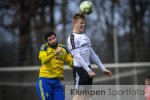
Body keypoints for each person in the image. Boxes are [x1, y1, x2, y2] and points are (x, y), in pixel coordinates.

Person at [67, 13, 112, 100]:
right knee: (78, 95)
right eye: (81, 23)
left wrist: (103, 68)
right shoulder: (72, 38)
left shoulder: (85, 37)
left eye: (84, 23)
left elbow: (93, 54)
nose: (83, 25)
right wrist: (88, 71)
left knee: (86, 96)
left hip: (88, 68)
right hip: (79, 69)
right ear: (75, 22)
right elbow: (77, 56)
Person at [36, 31, 73, 100]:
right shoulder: (44, 47)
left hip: (57, 82)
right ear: (47, 42)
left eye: (54, 38)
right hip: (45, 80)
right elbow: (44, 61)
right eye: (50, 40)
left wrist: (77, 59)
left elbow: (71, 64)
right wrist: (55, 53)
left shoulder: (64, 48)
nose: (53, 41)